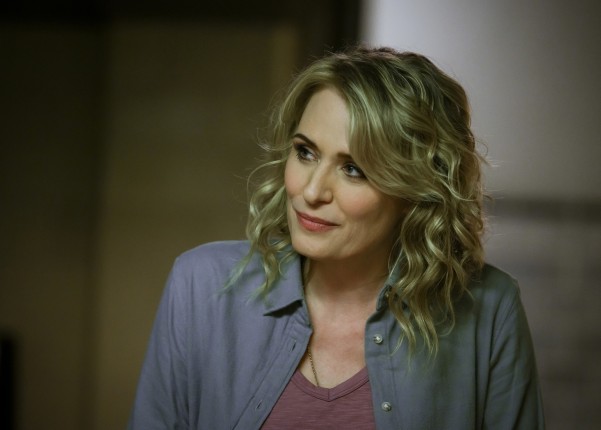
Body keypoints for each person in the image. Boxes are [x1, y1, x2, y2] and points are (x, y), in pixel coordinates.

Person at [128, 46, 545, 429]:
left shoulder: (490, 310)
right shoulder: (201, 286)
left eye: (353, 169)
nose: (312, 192)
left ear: (415, 190)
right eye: (305, 152)